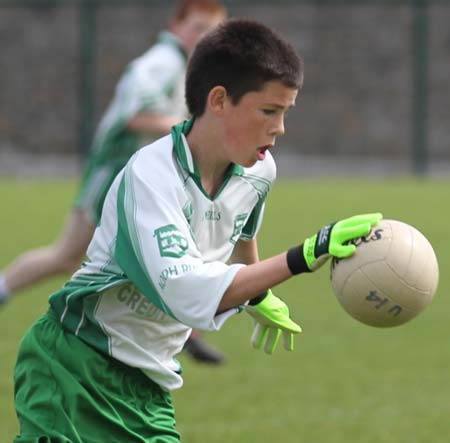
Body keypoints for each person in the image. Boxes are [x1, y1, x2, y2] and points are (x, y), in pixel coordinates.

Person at [13, 18, 382, 443]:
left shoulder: (259, 171)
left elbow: (242, 232)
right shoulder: (151, 177)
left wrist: (257, 291)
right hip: (73, 366)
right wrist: (304, 254)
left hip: (148, 387)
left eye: (285, 113)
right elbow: (185, 292)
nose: (279, 128)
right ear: (220, 100)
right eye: (268, 111)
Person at [0, 0, 227, 364]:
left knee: (178, 247)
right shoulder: (161, 62)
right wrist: (191, 131)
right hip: (115, 171)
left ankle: (187, 330)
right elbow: (136, 114)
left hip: (144, 176)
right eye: (197, 27)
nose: (203, 37)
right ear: (175, 26)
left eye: (211, 31)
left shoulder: (184, 66)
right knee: (67, 255)